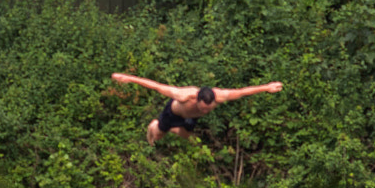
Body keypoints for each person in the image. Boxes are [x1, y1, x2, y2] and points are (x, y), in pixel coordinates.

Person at [111, 72, 285, 144]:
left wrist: (266, 87)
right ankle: (154, 125)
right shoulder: (184, 95)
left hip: (188, 118)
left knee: (187, 136)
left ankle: (172, 129)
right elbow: (156, 86)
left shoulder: (221, 96)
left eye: (207, 110)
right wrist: (128, 78)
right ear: (197, 99)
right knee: (157, 136)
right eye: (202, 109)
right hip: (172, 113)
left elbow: (242, 92)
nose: (205, 112)